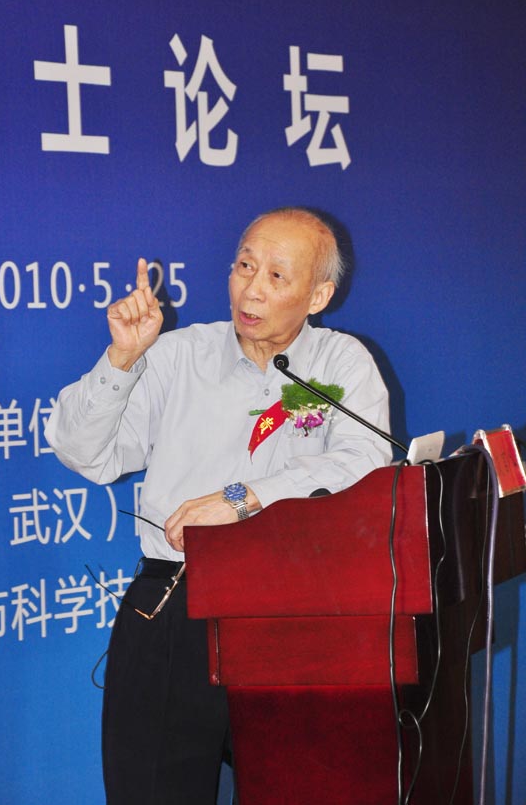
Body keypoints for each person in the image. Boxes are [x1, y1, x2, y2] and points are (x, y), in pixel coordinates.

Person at [44, 207, 392, 805]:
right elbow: (83, 454)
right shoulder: (176, 356)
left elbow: (364, 463)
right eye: (244, 266)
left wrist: (245, 499)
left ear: (318, 296)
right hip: (177, 606)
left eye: (277, 276)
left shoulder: (341, 363)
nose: (252, 289)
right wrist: (121, 359)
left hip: (298, 613)